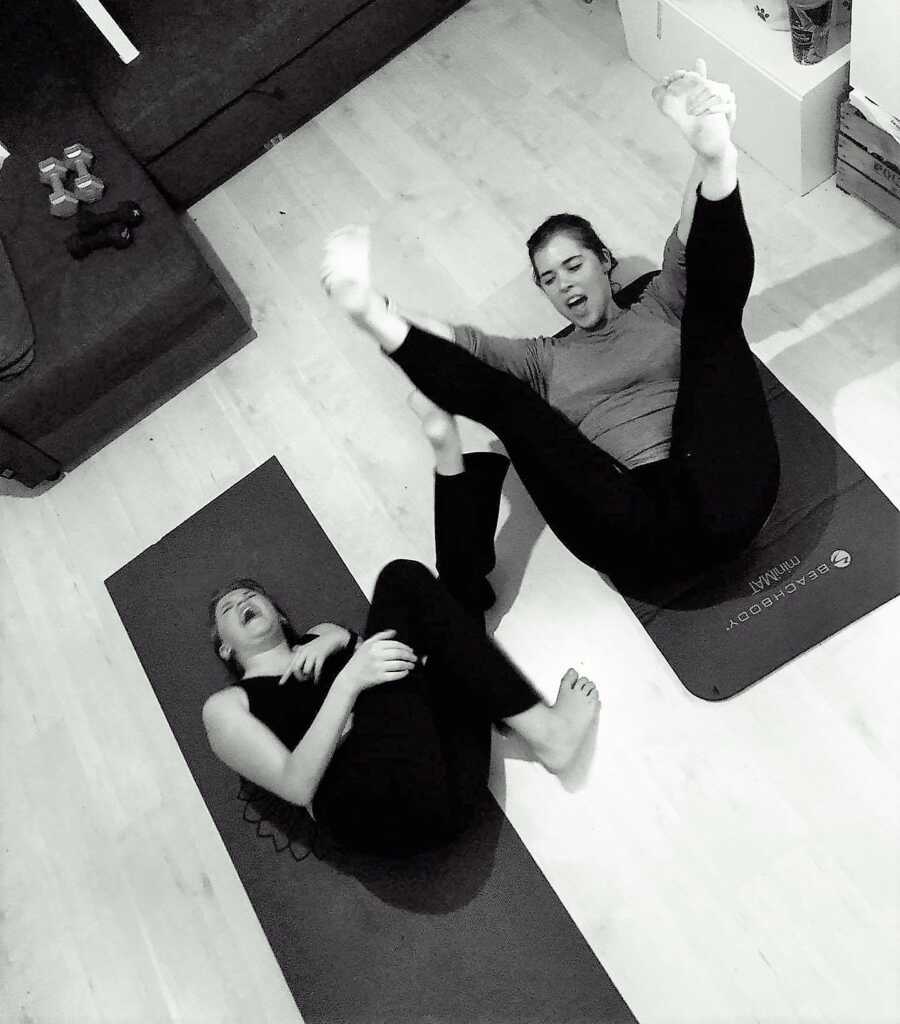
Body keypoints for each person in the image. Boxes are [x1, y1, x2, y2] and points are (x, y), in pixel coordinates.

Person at [319, 60, 781, 588]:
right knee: (512, 408)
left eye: (573, 265)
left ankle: (721, 158)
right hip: (633, 533)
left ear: (604, 260)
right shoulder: (543, 359)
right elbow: (464, 342)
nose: (563, 284)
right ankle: (370, 317)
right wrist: (384, 308)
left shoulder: (660, 302)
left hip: (725, 487)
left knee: (714, 318)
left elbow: (691, 233)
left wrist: (706, 157)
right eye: (548, 279)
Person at [201, 403, 600, 856]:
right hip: (379, 808)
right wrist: (349, 680)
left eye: (251, 594)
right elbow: (295, 784)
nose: (244, 601)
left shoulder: (323, 639)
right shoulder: (227, 707)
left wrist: (343, 640)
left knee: (449, 606)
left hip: (451, 783)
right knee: (400, 580)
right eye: (228, 609)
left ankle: (460, 475)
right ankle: (548, 733)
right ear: (226, 650)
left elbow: (401, 678)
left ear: (280, 615)